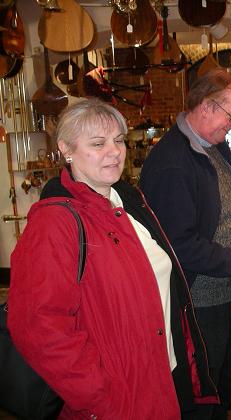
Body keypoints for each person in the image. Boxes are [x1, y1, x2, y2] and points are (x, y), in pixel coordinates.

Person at [8, 99, 218, 419]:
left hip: (163, 375)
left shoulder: (128, 199)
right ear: (66, 149)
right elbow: (39, 328)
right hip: (116, 399)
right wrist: (99, 397)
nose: (115, 151)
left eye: (118, 140)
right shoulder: (54, 223)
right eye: (97, 143)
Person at [139, 68, 231, 419]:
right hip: (196, 303)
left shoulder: (215, 147)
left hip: (223, 291)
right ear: (205, 106)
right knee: (203, 395)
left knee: (224, 383)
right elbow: (182, 246)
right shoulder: (172, 163)